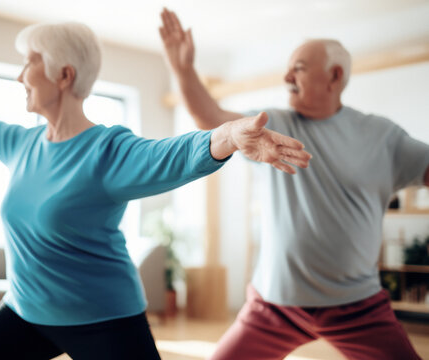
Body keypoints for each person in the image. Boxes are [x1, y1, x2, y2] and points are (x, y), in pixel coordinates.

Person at [0, 19, 311, 360]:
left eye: (29, 62)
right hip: (25, 311)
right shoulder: (21, 145)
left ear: (63, 75)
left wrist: (227, 134)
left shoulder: (106, 151)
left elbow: (171, 155)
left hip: (103, 318)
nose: (20, 77)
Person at [159, 8, 429, 360]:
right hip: (274, 305)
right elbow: (209, 117)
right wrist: (182, 69)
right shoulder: (273, 122)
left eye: (298, 67)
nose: (286, 75)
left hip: (358, 307)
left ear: (334, 76)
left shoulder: (381, 135)